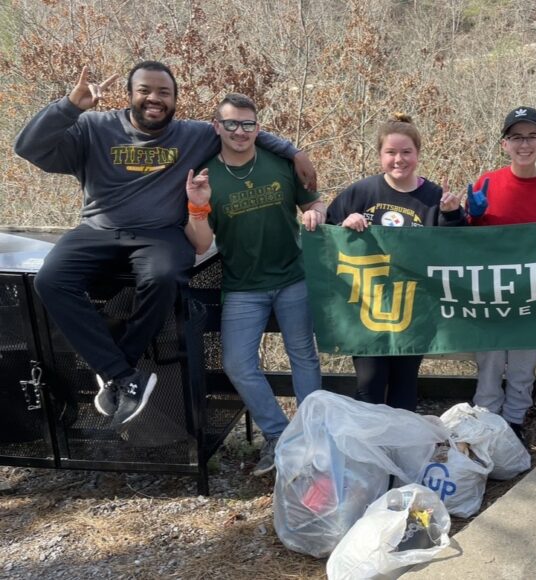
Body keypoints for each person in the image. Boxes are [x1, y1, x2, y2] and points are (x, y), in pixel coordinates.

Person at [13, 62, 316, 428]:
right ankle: (124, 376)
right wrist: (70, 106)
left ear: (174, 99)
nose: (154, 98)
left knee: (167, 275)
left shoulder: (192, 134)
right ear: (130, 94)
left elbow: (241, 131)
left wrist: (294, 152)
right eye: (145, 90)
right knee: (50, 281)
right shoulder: (94, 127)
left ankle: (118, 367)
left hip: (159, 233)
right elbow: (28, 147)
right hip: (98, 227)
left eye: (163, 92)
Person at [184, 93, 324, 476]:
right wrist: (197, 206)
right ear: (217, 126)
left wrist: (315, 215)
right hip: (242, 285)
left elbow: (314, 203)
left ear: (258, 128)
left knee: (304, 356)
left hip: (293, 276)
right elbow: (199, 242)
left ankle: (314, 436)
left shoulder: (280, 163)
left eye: (247, 124)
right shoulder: (205, 175)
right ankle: (279, 435)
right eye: (230, 123)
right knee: (236, 363)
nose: (239, 131)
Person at [326, 113, 465, 411]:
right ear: (379, 155)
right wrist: (345, 223)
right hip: (366, 306)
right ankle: (369, 450)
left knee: (404, 384)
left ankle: (401, 449)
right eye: (390, 152)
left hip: (414, 308)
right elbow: (326, 232)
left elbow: (452, 250)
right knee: (369, 384)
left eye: (406, 152)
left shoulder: (435, 196)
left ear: (418, 154)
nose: (398, 159)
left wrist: (453, 215)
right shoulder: (362, 192)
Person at [466, 106, 536, 445]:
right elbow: (466, 240)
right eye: (516, 138)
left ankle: (514, 422)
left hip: (534, 291)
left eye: (531, 137)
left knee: (524, 363)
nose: (524, 145)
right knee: (490, 361)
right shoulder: (487, 182)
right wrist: (471, 216)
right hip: (492, 291)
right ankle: (486, 418)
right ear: (504, 144)